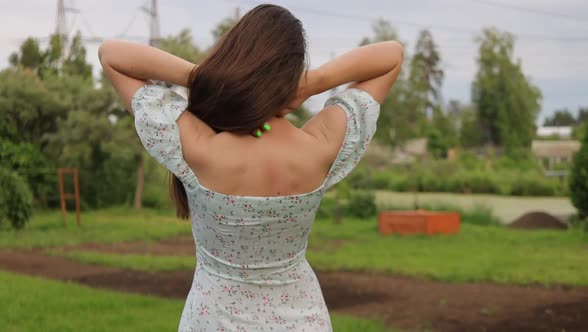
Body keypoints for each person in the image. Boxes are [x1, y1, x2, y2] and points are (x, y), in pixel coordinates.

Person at [99, 4, 403, 331]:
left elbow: (111, 54)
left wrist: (205, 77)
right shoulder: (320, 146)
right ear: (294, 70)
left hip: (212, 319)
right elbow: (392, 55)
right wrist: (315, 82)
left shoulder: (200, 148)